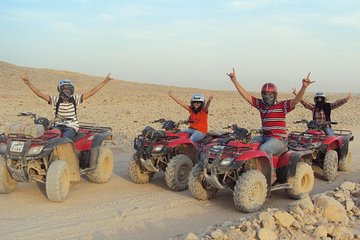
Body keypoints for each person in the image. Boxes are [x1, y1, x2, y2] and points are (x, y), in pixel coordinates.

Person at [227, 68, 314, 182]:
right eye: (265, 94)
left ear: (275, 94)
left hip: (279, 139)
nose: (267, 96)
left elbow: (296, 100)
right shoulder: (261, 105)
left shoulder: (282, 106)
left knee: (264, 149)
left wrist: (303, 87)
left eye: (270, 94)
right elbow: (247, 96)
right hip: (264, 136)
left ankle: (271, 175)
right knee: (246, 144)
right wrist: (234, 81)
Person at [21, 72, 113, 141]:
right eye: (64, 89)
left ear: (72, 90)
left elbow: (92, 92)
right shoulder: (56, 100)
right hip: (58, 125)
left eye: (69, 89)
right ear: (60, 90)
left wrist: (105, 81)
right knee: (51, 138)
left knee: (65, 141)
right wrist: (28, 83)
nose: (66, 91)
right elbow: (39, 94)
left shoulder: (75, 99)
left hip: (71, 126)